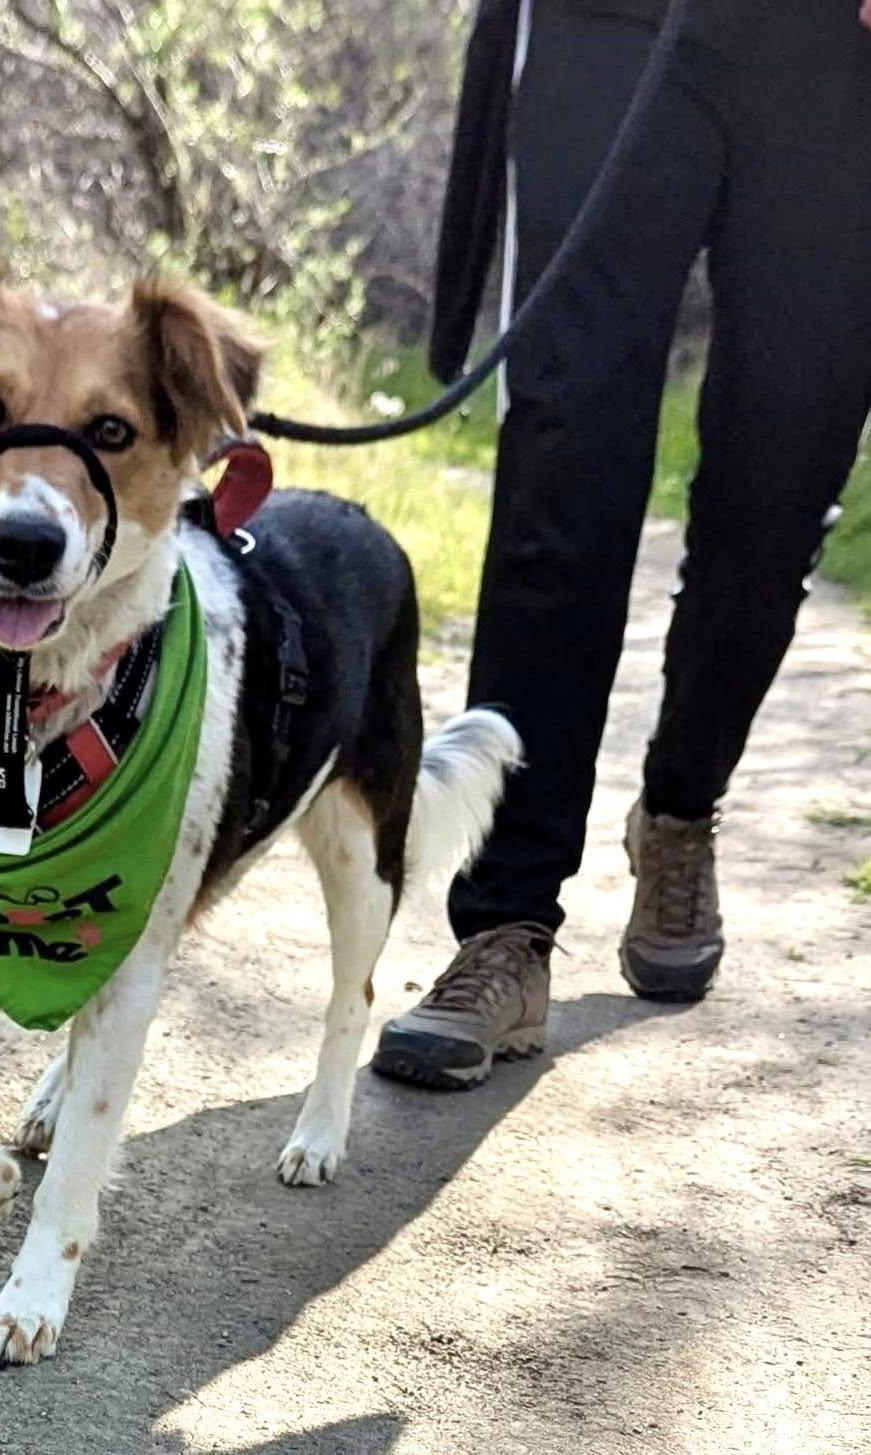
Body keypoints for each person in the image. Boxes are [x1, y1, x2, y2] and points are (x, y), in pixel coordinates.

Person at [372, 0, 871, 1090]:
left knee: (781, 480)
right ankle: (505, 926)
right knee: (565, 461)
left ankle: (682, 805)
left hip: (841, 58)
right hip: (612, 25)